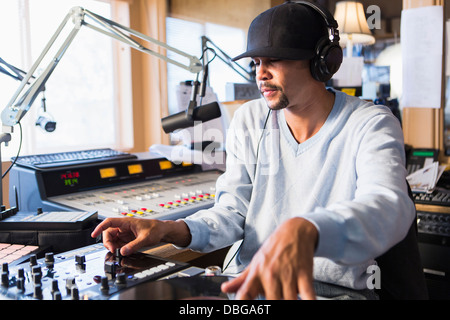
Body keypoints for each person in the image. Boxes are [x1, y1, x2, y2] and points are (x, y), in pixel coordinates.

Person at [91, 1, 415, 300]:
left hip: (334, 293)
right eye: (257, 62)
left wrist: (311, 230)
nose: (260, 73)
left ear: (323, 62)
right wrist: (169, 229)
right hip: (248, 288)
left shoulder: (370, 123)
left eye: (274, 60)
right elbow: (232, 212)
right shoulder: (249, 119)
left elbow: (388, 208)